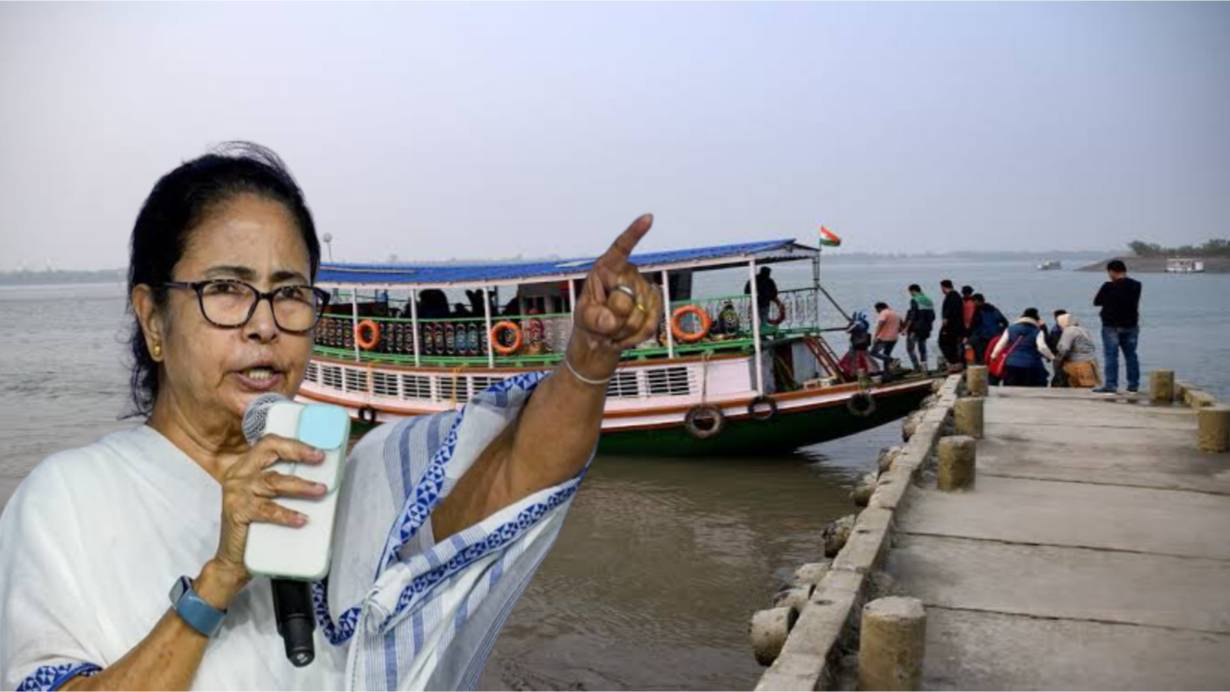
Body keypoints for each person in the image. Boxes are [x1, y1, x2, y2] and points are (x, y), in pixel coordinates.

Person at [0, 144, 665, 690]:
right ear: (152, 319)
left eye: (289, 294)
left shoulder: (340, 479)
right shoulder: (69, 500)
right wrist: (220, 580)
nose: (264, 325)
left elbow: (516, 476)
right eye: (226, 290)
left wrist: (589, 356)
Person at [1092, 259, 1143, 393]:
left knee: (1111, 356)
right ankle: (1133, 385)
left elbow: (1097, 302)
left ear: (1111, 271)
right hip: (1131, 325)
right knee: (1131, 355)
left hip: (1111, 326)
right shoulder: (1137, 285)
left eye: (1109, 273)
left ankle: (1111, 385)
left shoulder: (1108, 286)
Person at [990, 307, 1056, 387]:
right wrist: (1052, 358)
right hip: (1031, 365)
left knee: (1010, 389)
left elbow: (1001, 344)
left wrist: (994, 355)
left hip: (1011, 364)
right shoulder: (1037, 331)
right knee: (1030, 389)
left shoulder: (1010, 329)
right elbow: (1042, 347)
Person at [1054, 313, 1101, 388]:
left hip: (1077, 364)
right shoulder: (1084, 330)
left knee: (1076, 389)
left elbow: (1064, 348)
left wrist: (1057, 361)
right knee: (1088, 389)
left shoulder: (1069, 331)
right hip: (1090, 363)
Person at [902, 284, 935, 372]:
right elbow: (932, 316)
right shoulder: (928, 300)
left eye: (910, 292)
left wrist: (906, 328)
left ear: (913, 291)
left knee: (910, 348)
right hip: (926, 329)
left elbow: (913, 315)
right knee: (922, 348)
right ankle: (925, 367)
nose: (910, 294)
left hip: (915, 329)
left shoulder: (914, 300)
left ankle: (916, 367)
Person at [967, 293, 1007, 365]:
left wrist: (967, 335)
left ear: (978, 301)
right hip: (994, 336)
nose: (973, 303)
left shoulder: (978, 311)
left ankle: (980, 366)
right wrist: (1000, 332)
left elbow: (974, 325)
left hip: (983, 336)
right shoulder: (993, 309)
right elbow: (1004, 322)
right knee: (990, 354)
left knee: (977, 350)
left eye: (974, 301)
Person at [938, 279, 965, 372]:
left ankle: (954, 363)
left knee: (943, 343)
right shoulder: (957, 296)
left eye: (941, 288)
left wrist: (944, 326)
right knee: (953, 344)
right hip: (958, 326)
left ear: (944, 287)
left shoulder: (950, 297)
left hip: (951, 326)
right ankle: (957, 363)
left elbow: (947, 313)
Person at [869, 301, 902, 374]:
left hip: (883, 338)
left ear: (880, 308)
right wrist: (900, 330)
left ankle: (892, 360)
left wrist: (876, 336)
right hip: (894, 338)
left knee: (873, 352)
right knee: (886, 354)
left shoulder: (884, 313)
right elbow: (902, 324)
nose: (876, 312)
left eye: (876, 310)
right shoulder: (895, 314)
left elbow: (881, 324)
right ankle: (887, 372)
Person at [841, 310, 874, 378]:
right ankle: (868, 372)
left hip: (856, 345)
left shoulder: (857, 324)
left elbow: (848, 331)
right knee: (865, 359)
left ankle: (854, 374)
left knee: (853, 360)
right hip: (864, 345)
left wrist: (852, 323)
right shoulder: (866, 323)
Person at [1046, 309, 1069, 387]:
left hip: (1058, 356)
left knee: (1060, 374)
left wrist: (1049, 356)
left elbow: (1051, 342)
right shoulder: (1071, 327)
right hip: (1067, 356)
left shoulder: (1056, 329)